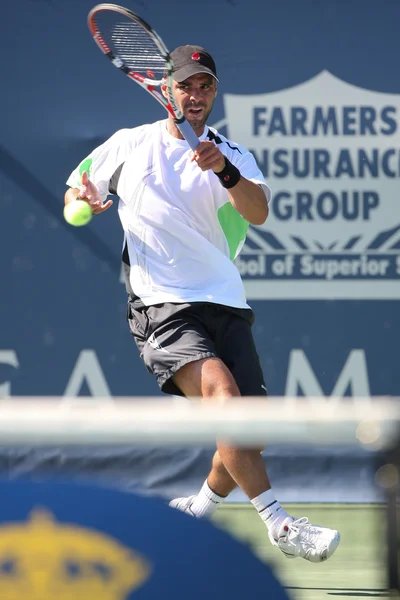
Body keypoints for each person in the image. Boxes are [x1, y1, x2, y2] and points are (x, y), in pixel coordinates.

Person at [65, 45, 340, 562]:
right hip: (161, 305)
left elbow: (258, 213)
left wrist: (224, 173)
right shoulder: (128, 144)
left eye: (205, 86)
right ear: (166, 88)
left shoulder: (231, 154)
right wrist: (83, 202)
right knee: (224, 399)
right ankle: (281, 525)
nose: (195, 95)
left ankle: (196, 509)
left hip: (226, 303)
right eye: (186, 85)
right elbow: (75, 194)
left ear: (214, 93)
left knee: (245, 435)